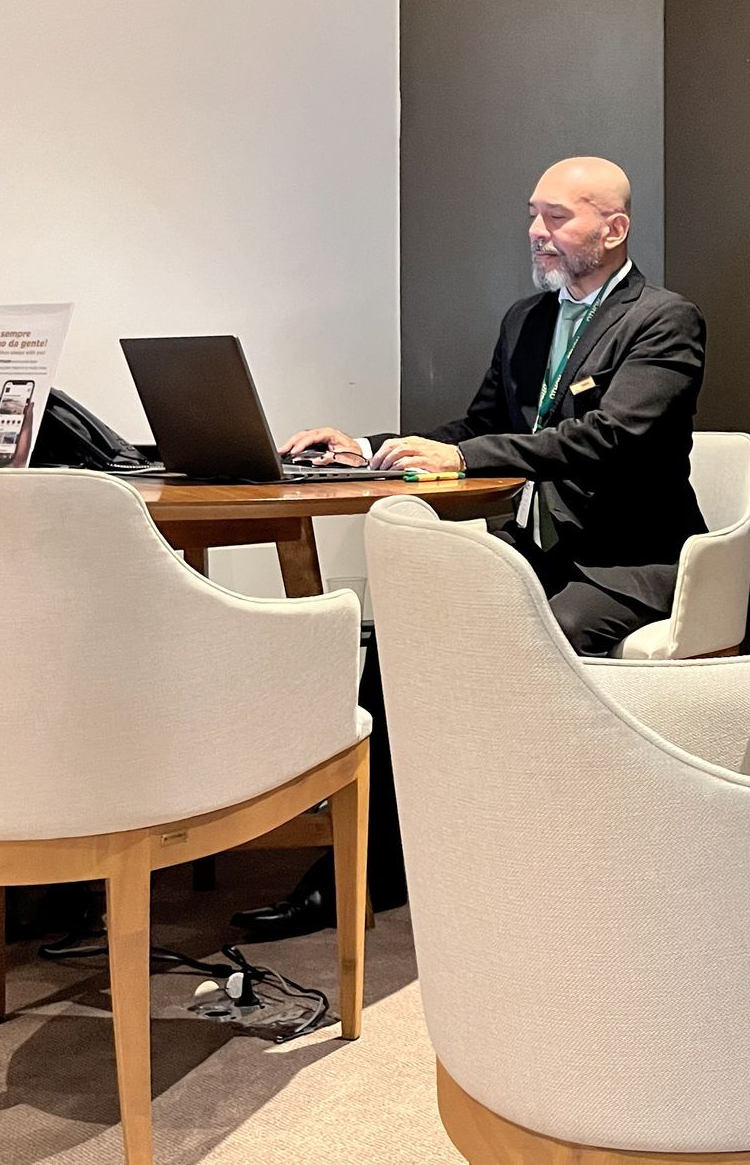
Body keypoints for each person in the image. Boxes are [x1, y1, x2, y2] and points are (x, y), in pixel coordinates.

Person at [233, 155, 707, 938]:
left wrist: (470, 458)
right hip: (536, 553)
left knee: (522, 649)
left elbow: (610, 438)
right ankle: (370, 867)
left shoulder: (664, 320)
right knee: (397, 644)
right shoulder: (525, 320)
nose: (537, 232)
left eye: (558, 218)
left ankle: (523, 869)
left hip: (628, 560)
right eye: (534, 214)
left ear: (614, 229)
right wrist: (366, 445)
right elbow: (475, 431)